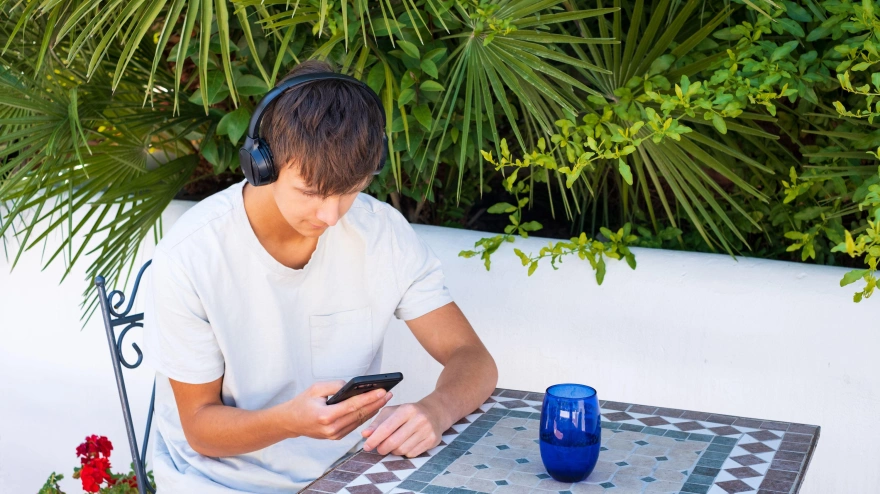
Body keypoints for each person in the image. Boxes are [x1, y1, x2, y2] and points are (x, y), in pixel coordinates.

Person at [143, 59, 498, 493]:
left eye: (349, 191)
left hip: (351, 472)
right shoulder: (192, 254)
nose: (330, 216)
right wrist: (289, 422)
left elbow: (471, 357)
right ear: (263, 163)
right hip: (221, 481)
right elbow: (200, 428)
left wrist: (437, 409)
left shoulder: (381, 232)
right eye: (310, 192)